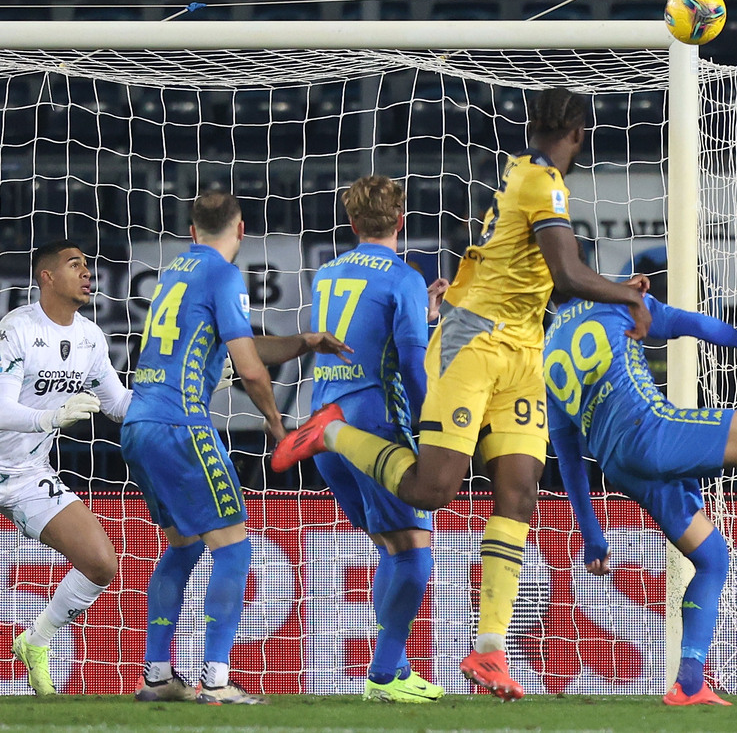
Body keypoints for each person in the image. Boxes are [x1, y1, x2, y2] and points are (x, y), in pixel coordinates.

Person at [272, 87, 652, 701]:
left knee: (521, 489)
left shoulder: (522, 173)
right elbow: (567, 274)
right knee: (435, 488)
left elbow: (539, 278)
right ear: (579, 133)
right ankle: (332, 432)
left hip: (525, 350)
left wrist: (608, 289)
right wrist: (628, 295)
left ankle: (488, 651)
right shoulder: (543, 182)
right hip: (473, 341)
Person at [544, 288, 737, 706]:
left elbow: (568, 458)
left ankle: (690, 681)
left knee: (713, 557)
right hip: (652, 430)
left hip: (619, 465)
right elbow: (690, 324)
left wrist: (592, 535)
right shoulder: (613, 300)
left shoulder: (547, 352)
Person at [121, 190, 351, 705]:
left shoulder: (176, 272)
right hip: (182, 424)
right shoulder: (224, 274)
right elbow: (249, 368)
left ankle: (158, 677)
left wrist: (304, 341)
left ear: (191, 230)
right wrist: (277, 423)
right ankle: (217, 680)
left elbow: (243, 344)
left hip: (140, 423)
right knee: (235, 548)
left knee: (181, 547)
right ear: (242, 230)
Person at [301, 175, 448, 702]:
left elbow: (363, 337)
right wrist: (433, 423)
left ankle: (396, 671)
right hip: (375, 423)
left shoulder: (326, 274)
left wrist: (421, 314)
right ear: (401, 221)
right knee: (414, 552)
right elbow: (409, 360)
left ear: (352, 222)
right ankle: (384, 673)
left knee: (390, 546)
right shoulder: (403, 276)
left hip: (323, 425)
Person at [0, 240, 132, 696]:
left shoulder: (91, 337)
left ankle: (35, 641)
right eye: (74, 264)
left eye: (88, 265)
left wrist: (184, 392)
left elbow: (117, 405)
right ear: (47, 276)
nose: (86, 271)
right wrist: (50, 418)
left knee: (101, 563)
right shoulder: (16, 329)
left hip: (25, 473)